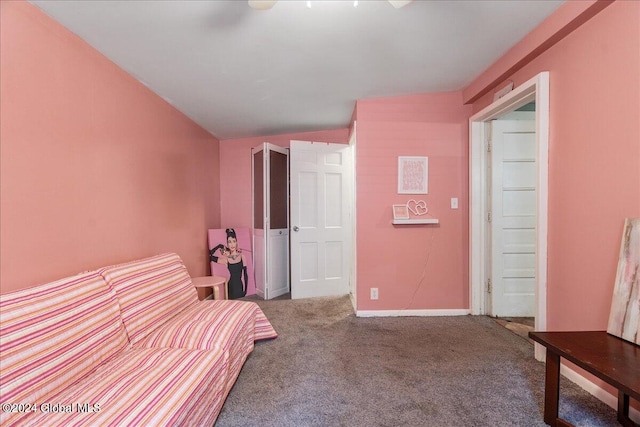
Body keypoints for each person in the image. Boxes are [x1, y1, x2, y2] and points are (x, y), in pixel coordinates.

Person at [209, 228, 248, 299]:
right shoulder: (226, 259)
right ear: (227, 244)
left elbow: (245, 275)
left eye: (234, 241)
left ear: (236, 242)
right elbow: (210, 256)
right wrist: (219, 246)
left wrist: (245, 291)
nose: (232, 244)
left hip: (239, 286)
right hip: (231, 286)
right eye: (229, 242)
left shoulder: (242, 257)